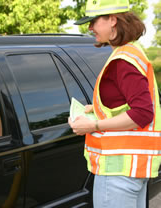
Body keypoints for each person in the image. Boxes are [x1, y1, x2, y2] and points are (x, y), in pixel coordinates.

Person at [68, 0, 161, 208]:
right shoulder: (132, 52)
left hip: (118, 173)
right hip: (131, 171)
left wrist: (93, 125)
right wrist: (97, 109)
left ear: (113, 20)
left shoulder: (123, 61)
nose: (90, 27)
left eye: (94, 21)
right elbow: (129, 102)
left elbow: (143, 113)